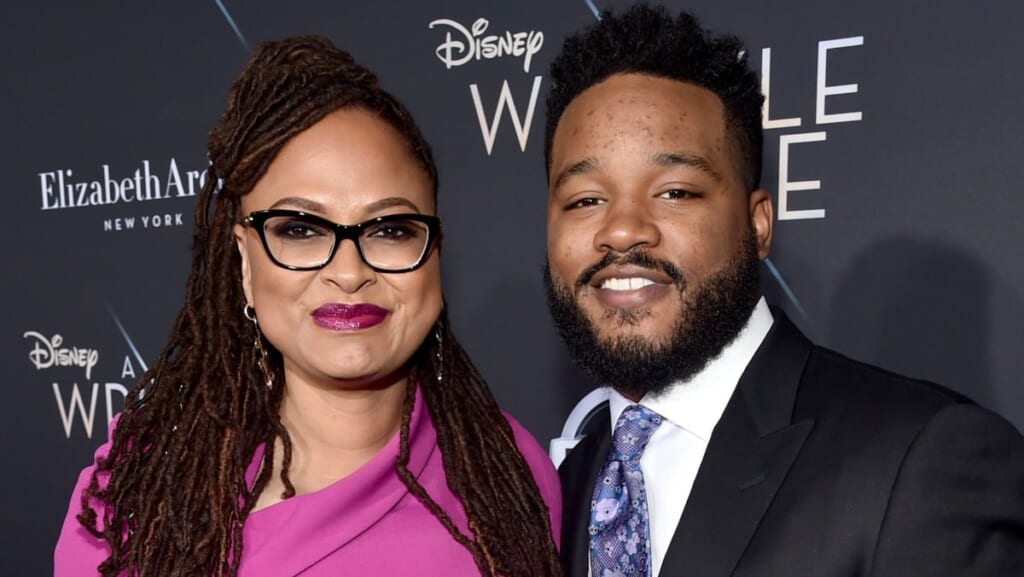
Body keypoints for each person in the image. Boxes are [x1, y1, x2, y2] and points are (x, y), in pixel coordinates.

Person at [543, 4, 1024, 577]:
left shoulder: (920, 459)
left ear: (758, 225)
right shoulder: (548, 487)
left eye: (675, 192)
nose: (622, 230)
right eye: (585, 200)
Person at [54, 35, 562, 577]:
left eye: (390, 229)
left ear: (433, 253)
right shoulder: (139, 492)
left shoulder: (509, 475)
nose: (349, 272)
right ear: (245, 263)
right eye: (299, 230)